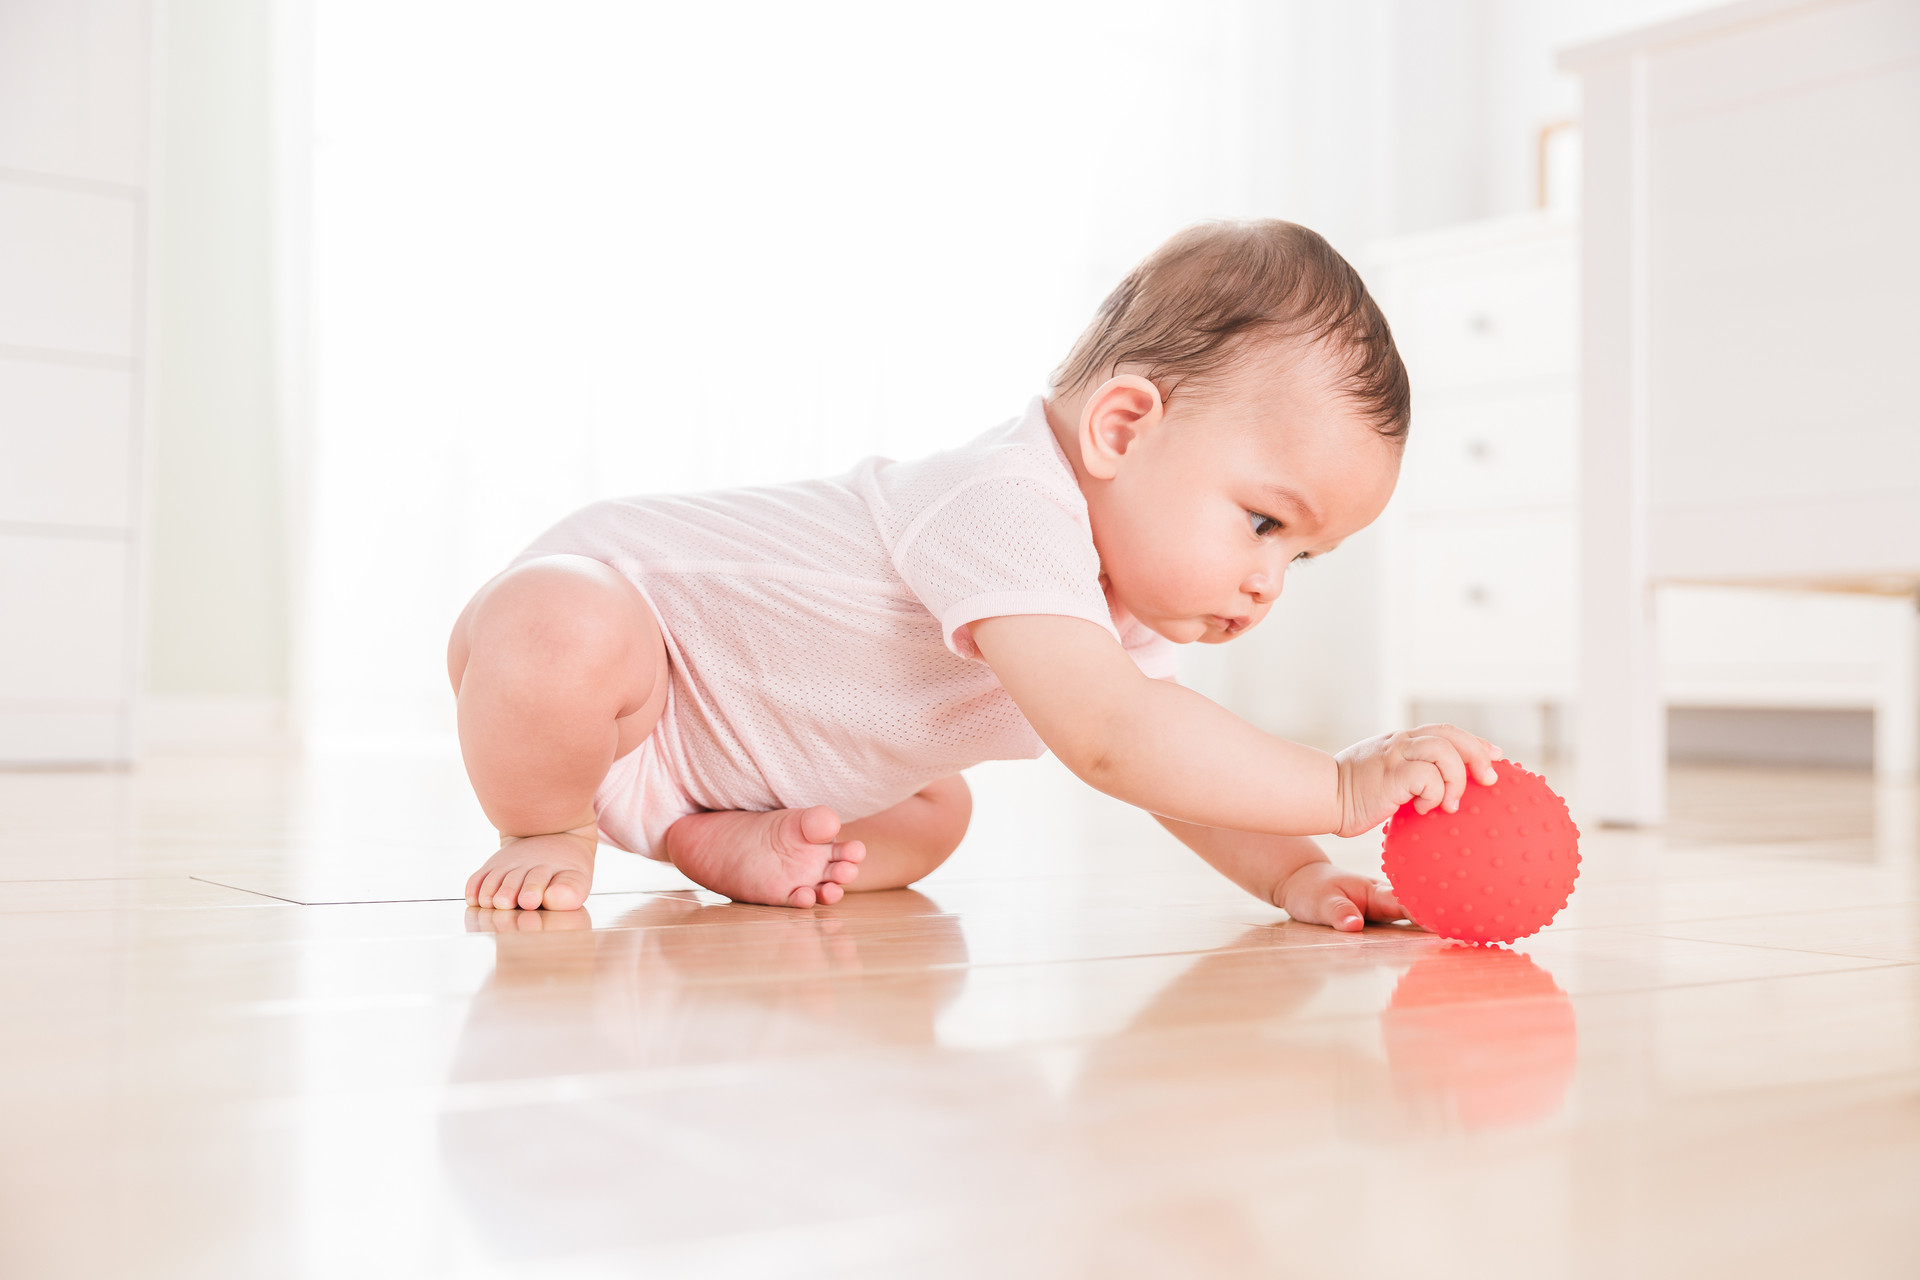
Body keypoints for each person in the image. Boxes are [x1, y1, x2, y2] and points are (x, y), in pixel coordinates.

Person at [448, 219, 1502, 920]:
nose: (1270, 579)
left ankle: (701, 833)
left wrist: (1299, 871)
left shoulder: (1114, 606)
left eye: (1303, 557)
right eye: (1266, 521)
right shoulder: (1002, 500)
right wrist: (1341, 785)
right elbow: (1117, 742)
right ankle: (544, 820)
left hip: (735, 763)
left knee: (933, 814)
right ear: (1125, 426)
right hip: (634, 656)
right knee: (556, 627)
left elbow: (1176, 778)